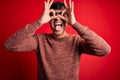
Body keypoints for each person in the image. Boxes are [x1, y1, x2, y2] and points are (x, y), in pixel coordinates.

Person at [4, 0, 111, 80]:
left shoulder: (76, 42)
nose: (57, 18)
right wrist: (39, 22)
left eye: (61, 14)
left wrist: (75, 24)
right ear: (48, 19)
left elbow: (104, 49)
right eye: (53, 15)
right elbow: (10, 45)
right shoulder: (39, 41)